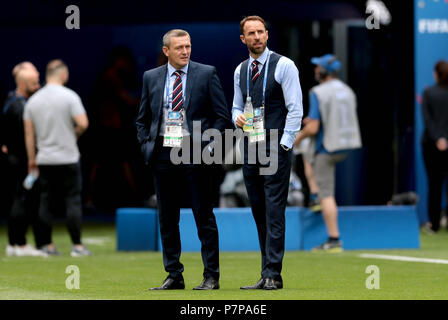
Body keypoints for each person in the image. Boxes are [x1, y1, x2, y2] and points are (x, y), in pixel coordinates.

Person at [136, 29, 231, 290]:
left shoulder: (206, 73)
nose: (185, 51)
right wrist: (146, 142)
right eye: (179, 48)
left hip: (194, 151)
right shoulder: (151, 77)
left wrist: (209, 145)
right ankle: (174, 275)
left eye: (188, 46)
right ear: (166, 51)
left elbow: (222, 116)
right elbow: (143, 118)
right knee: (167, 217)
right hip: (163, 153)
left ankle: (211, 276)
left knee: (204, 215)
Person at [232, 16, 303, 290]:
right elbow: (236, 106)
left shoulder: (284, 65)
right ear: (243, 39)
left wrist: (285, 144)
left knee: (274, 210)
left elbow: (295, 107)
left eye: (261, 32)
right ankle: (266, 271)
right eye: (251, 33)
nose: (257, 37)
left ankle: (274, 272)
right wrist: (236, 118)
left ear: (267, 35)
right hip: (251, 145)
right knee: (259, 210)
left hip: (276, 146)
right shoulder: (241, 70)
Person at [294, 54, 362, 252]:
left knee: (327, 194)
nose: (315, 70)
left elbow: (314, 129)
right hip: (346, 143)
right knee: (308, 152)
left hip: (328, 147)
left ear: (323, 71)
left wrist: (294, 139)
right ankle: (315, 195)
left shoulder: (318, 91)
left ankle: (334, 239)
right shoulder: (347, 90)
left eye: (317, 67)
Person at [23, 59, 91, 257]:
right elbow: (83, 123)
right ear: (63, 75)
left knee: (46, 202)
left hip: (44, 159)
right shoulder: (70, 96)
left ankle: (48, 245)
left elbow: (29, 134)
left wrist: (31, 158)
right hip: (68, 156)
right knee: (72, 200)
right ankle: (77, 246)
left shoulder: (33, 100)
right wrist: (73, 135)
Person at [1, 62, 46, 256]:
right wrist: (32, 159)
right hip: (21, 160)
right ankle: (19, 243)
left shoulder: (12, 100)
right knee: (23, 200)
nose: (38, 87)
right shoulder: (20, 107)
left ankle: (13, 243)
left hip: (13, 158)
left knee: (17, 199)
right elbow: (26, 136)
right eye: (34, 84)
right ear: (22, 83)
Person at [421, 60, 448, 232]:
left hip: (431, 145)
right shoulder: (429, 92)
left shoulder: (428, 92)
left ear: (437, 74)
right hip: (436, 143)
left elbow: (427, 119)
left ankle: (435, 224)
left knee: (434, 184)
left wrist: (439, 138)